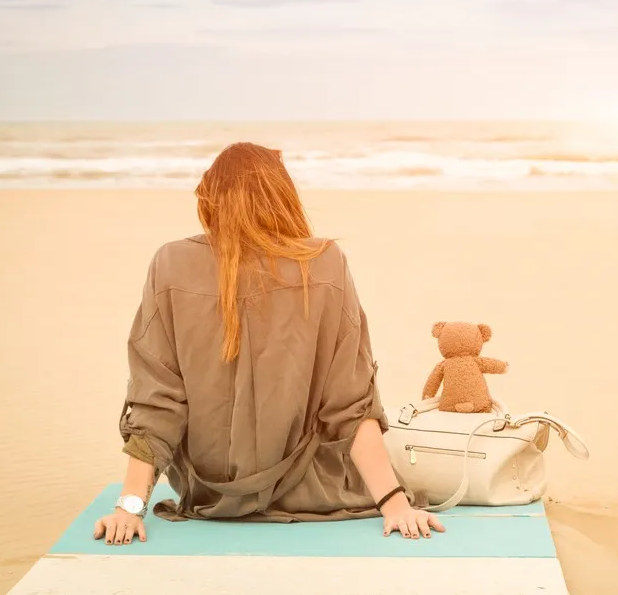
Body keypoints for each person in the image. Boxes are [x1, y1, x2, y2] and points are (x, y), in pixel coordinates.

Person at [93, 142, 445, 546]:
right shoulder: (325, 262)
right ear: (282, 195)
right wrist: (394, 502)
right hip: (313, 492)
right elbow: (349, 403)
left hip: (210, 495)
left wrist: (130, 508)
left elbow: (158, 402)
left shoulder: (170, 263)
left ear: (210, 198)